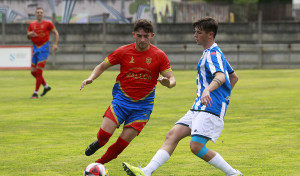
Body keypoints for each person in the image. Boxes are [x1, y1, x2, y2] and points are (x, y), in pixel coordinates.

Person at [122, 17, 242, 176]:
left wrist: (210, 93)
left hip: (209, 108)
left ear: (210, 34)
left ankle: (233, 174)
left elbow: (220, 77)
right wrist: (223, 99)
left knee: (196, 147)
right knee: (172, 135)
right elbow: (233, 77)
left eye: (199, 32)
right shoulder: (213, 52)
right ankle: (146, 172)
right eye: (195, 32)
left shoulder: (212, 54)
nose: (195, 35)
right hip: (199, 107)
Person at [80, 19, 176, 165]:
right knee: (104, 136)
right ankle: (99, 142)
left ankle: (98, 165)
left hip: (143, 107)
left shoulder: (159, 55)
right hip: (121, 101)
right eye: (139, 36)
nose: (142, 39)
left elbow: (172, 79)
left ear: (152, 35)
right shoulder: (123, 51)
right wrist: (91, 78)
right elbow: (101, 66)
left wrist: (168, 83)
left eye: (146, 36)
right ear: (133, 35)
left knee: (121, 144)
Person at [27, 7, 59, 99]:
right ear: (35, 14)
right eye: (38, 12)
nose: (39, 14)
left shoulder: (48, 23)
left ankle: (35, 93)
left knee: (38, 71)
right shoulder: (32, 24)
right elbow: (27, 36)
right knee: (33, 72)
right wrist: (29, 34)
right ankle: (46, 86)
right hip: (35, 49)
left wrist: (55, 44)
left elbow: (56, 33)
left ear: (43, 14)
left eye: (41, 12)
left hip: (44, 49)